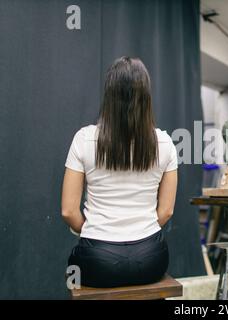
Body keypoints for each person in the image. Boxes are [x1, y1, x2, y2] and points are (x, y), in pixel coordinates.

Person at [61, 57, 178, 288]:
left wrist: (93, 231)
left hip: (97, 260)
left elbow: (68, 211)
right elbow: (166, 211)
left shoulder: (84, 138)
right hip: (151, 259)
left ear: (109, 95)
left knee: (76, 269)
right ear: (146, 97)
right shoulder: (165, 143)